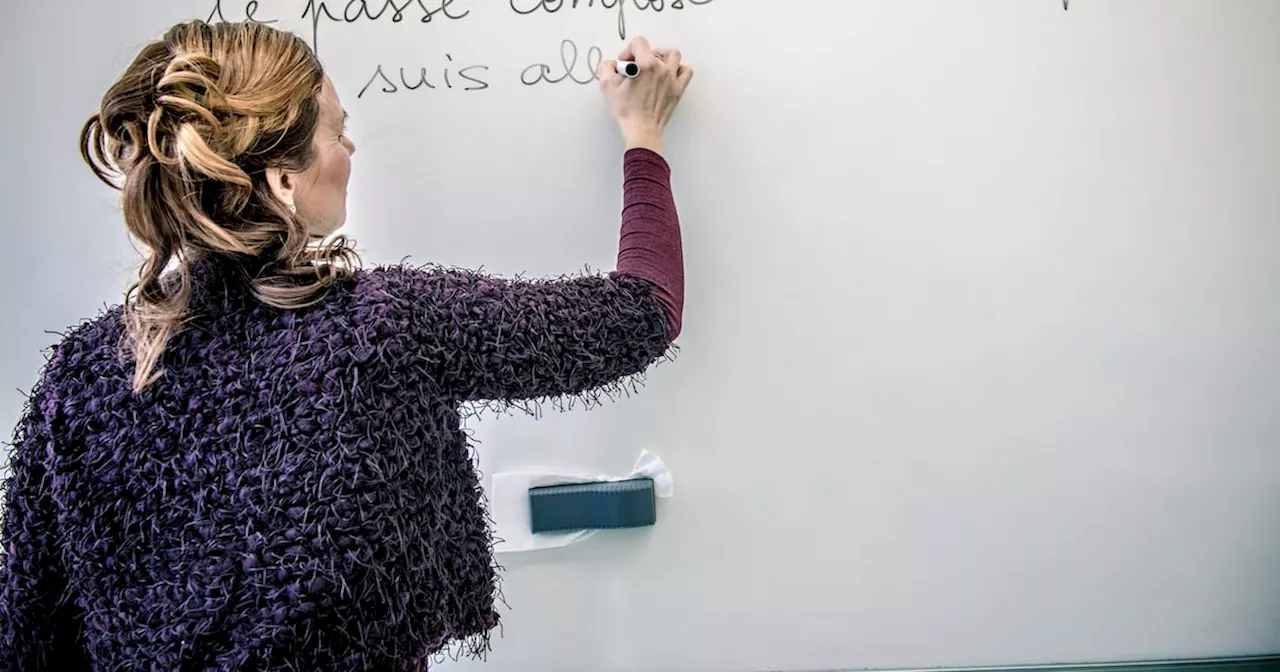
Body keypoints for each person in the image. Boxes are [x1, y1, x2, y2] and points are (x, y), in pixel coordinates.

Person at [0, 18, 691, 670]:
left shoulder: (81, 376)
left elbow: (27, 635)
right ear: (283, 178)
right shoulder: (380, 328)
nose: (351, 149)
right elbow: (639, 313)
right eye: (338, 130)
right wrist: (643, 132)